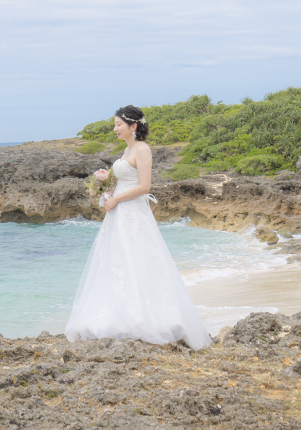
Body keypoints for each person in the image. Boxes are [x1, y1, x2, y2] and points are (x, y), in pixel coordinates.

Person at [65, 106, 211, 350]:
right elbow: (124, 179)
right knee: (116, 262)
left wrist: (116, 199)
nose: (115, 129)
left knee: (138, 260)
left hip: (132, 213)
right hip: (119, 212)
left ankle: (145, 318)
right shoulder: (127, 149)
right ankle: (119, 315)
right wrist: (107, 183)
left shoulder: (142, 149)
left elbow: (145, 186)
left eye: (118, 124)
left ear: (133, 126)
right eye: (114, 125)